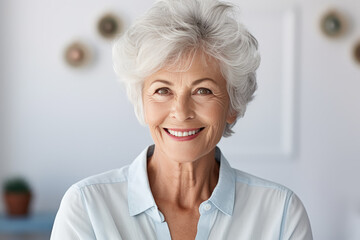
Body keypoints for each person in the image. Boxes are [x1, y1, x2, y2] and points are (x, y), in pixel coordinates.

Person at [51, 0, 313, 239]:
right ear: (142, 104)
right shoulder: (86, 206)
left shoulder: (281, 213)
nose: (181, 111)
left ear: (233, 105)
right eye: (162, 90)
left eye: (203, 90)